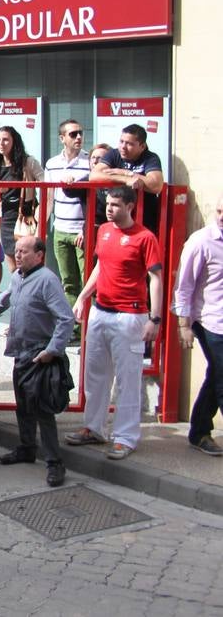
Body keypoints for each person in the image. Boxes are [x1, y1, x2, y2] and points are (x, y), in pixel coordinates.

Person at [67, 186, 163, 460]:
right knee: (95, 375)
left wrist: (154, 319)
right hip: (100, 311)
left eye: (116, 205)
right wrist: (83, 297)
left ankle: (125, 438)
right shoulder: (104, 231)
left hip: (130, 317)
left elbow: (156, 279)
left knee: (127, 380)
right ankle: (94, 428)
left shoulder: (145, 238)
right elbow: (101, 266)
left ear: (130, 206)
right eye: (108, 204)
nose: (110, 209)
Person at [0, 236, 76, 487]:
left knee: (42, 411)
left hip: (39, 355)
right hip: (21, 354)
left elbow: (66, 319)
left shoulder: (47, 280)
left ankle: (55, 462)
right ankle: (26, 447)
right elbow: (6, 297)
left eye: (24, 251)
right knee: (23, 405)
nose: (19, 255)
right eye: (17, 251)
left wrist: (52, 350)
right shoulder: (17, 276)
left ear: (40, 255)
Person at [172, 193, 223, 457]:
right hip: (210, 321)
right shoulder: (202, 241)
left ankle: (199, 431)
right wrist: (184, 325)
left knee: (217, 375)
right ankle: (200, 431)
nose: (222, 217)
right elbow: (184, 286)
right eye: (219, 211)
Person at [46, 119, 93, 306]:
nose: (79, 137)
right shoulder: (52, 163)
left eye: (80, 132)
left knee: (88, 281)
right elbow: (49, 198)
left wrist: (85, 228)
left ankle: (87, 332)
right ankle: (74, 331)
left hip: (81, 229)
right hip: (60, 229)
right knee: (69, 284)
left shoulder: (89, 160)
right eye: (73, 134)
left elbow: (93, 200)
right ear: (62, 138)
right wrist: (42, 229)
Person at [0, 125, 43, 272]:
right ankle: (18, 291)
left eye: (5, 139)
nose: (1, 143)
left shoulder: (28, 162)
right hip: (7, 216)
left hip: (27, 215)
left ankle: (31, 291)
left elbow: (46, 184)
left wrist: (42, 212)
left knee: (30, 259)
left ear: (14, 142)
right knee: (12, 263)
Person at [94, 123, 165, 235]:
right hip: (115, 220)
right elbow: (94, 176)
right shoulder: (114, 154)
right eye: (121, 141)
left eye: (129, 144)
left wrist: (127, 173)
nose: (123, 147)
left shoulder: (150, 158)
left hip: (142, 221)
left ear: (142, 146)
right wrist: (124, 179)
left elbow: (156, 185)